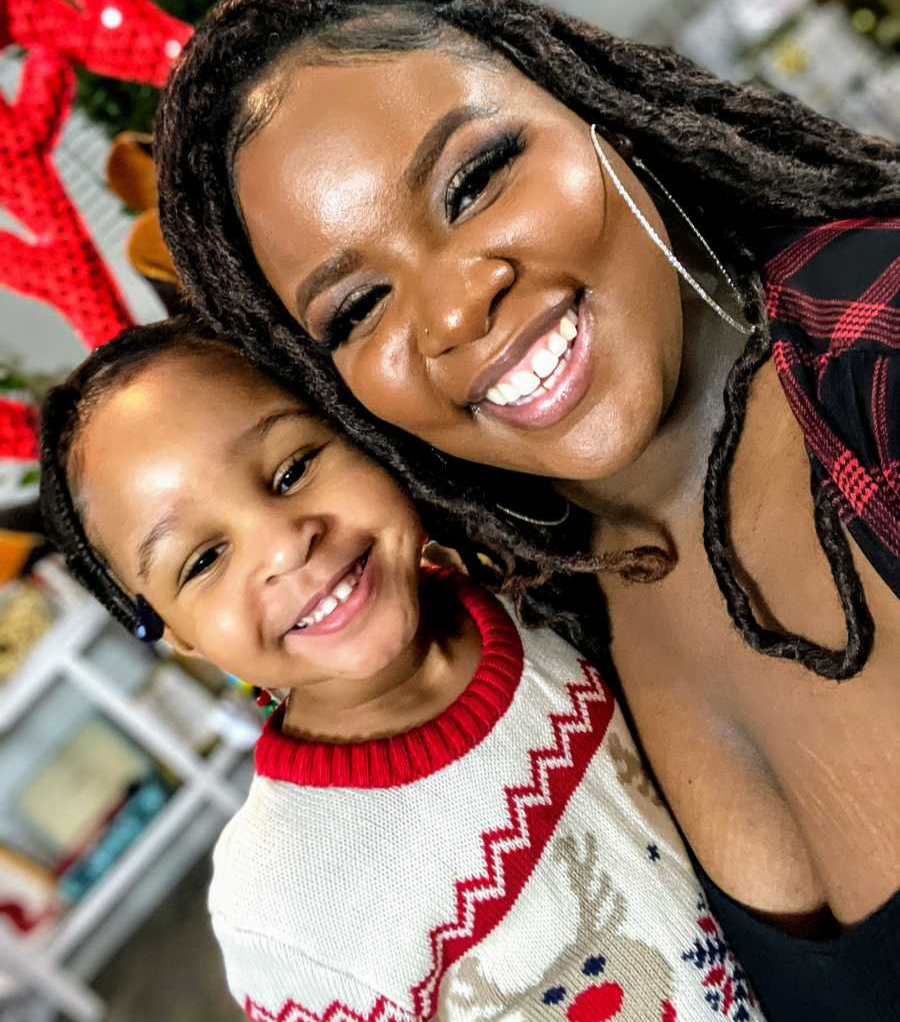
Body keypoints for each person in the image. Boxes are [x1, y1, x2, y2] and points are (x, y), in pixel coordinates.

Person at [154, 0, 900, 1021]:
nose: (454, 311)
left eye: (473, 180)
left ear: (593, 104)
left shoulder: (876, 346)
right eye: (356, 311)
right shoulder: (561, 630)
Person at [38, 317, 760, 1022]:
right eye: (202, 561)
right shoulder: (283, 902)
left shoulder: (533, 586)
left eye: (293, 469)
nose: (285, 548)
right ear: (179, 637)